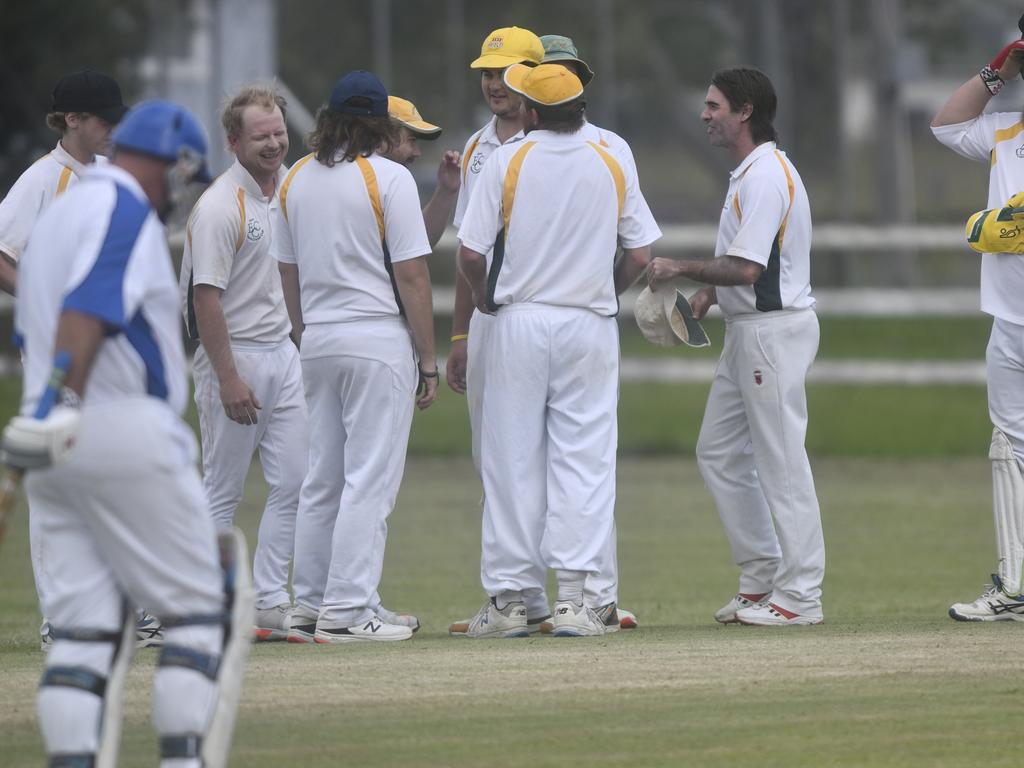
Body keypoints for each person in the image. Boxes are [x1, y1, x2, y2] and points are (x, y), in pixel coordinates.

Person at [0, 100, 252, 768]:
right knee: (200, 613)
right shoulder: (124, 210)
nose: (180, 194)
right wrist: (58, 400)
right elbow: (88, 311)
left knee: (83, 633)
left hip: (53, 444)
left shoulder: (58, 218)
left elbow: (37, 321)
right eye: (183, 178)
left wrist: (41, 414)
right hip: (117, 427)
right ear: (178, 164)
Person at [456, 63, 660, 637]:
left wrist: (484, 300)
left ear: (534, 113)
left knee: (511, 460)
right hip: (588, 325)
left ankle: (512, 602)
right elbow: (640, 255)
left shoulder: (508, 159)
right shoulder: (611, 156)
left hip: (521, 318)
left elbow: (470, 255)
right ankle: (575, 601)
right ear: (581, 109)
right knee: (585, 459)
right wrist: (602, 294)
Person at [647, 67, 824, 627]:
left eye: (714, 105)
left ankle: (801, 596)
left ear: (744, 111)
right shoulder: (749, 173)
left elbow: (749, 268)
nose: (705, 114)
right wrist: (707, 297)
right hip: (748, 331)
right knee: (719, 453)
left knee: (781, 461)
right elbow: (752, 268)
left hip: (773, 335)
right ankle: (761, 576)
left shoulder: (766, 176)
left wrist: (678, 265)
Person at [273, 70, 438, 644]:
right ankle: (347, 613)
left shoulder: (294, 177)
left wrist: (303, 334)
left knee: (323, 479)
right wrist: (429, 358)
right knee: (369, 480)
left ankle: (312, 604)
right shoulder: (388, 177)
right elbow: (413, 275)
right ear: (377, 125)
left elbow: (286, 273)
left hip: (317, 340)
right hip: (375, 340)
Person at [179, 83, 308, 641]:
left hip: (283, 353)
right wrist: (228, 376)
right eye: (261, 136)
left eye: (279, 132)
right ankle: (207, 606)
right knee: (222, 489)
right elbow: (205, 296)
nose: (274, 143)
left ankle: (270, 599)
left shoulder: (288, 191)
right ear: (234, 141)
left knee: (296, 481)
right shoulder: (218, 207)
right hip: (233, 359)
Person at [931, 21, 1024, 621]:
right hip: (1010, 318)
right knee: (1010, 447)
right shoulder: (1006, 126)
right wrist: (997, 71)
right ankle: (1016, 583)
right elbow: (945, 125)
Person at [0, 70, 127, 296]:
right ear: (72, 119)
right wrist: (43, 301)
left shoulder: (114, 172)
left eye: (117, 121)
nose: (113, 130)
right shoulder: (40, 178)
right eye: (105, 121)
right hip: (59, 329)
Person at [384, 95, 461, 248]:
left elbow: (415, 244)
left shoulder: (391, 184)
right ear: (383, 137)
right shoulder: (354, 185)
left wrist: (445, 190)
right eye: (411, 141)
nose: (417, 152)